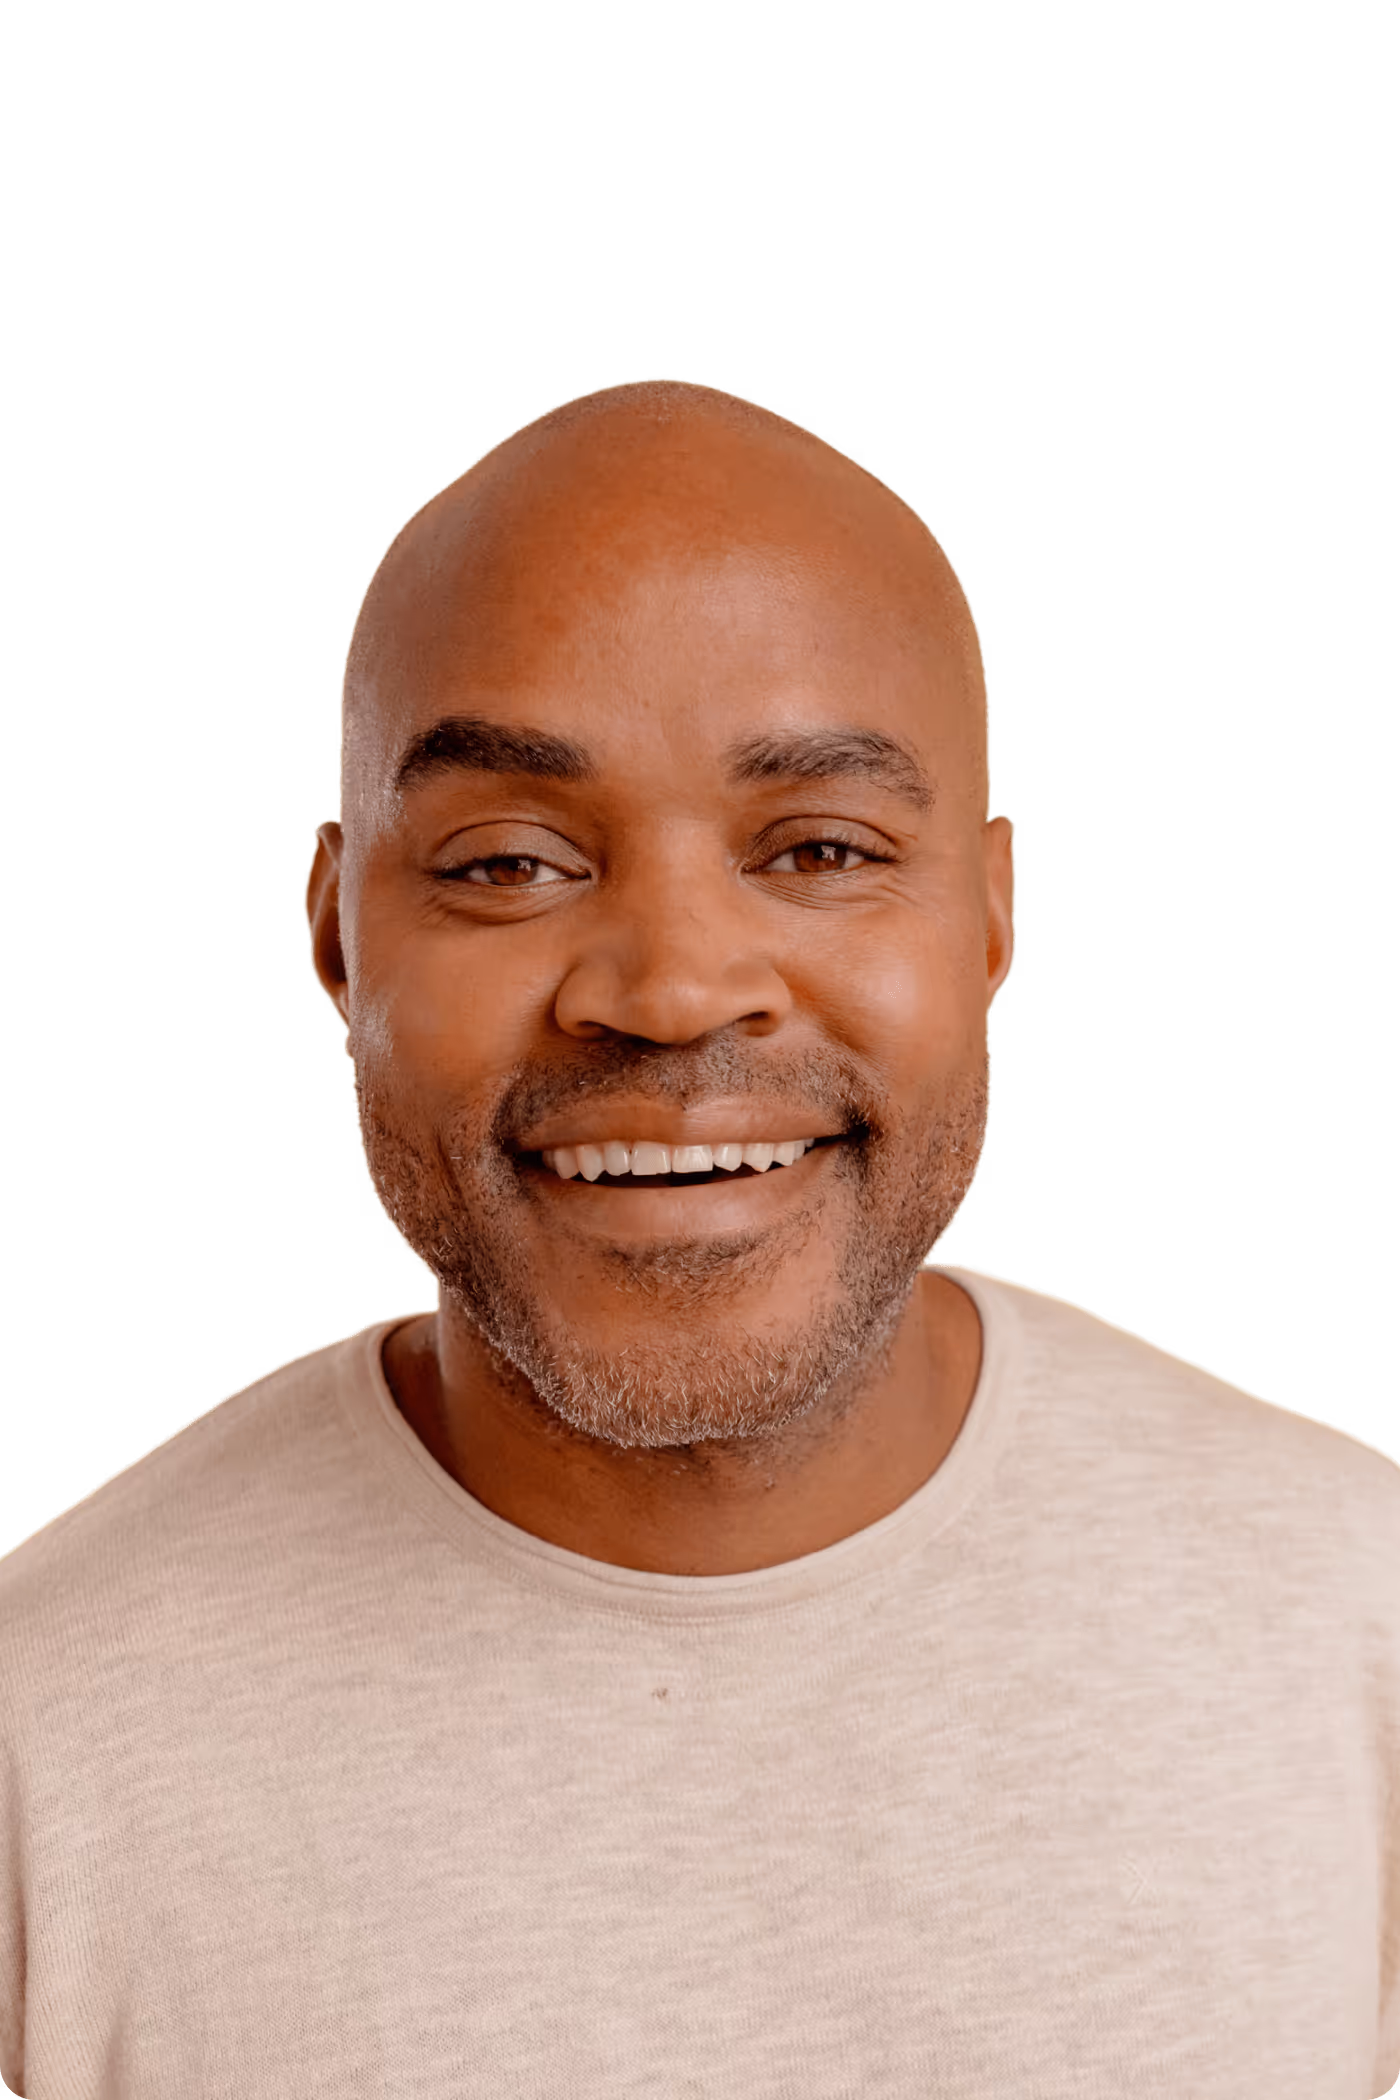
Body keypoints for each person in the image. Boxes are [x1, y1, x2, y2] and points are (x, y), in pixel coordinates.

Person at [0, 379, 1395, 2100]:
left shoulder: (1358, 1617)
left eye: (820, 848)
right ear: (340, 940)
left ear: (988, 922)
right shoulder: (41, 1734)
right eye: (507, 864)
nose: (670, 991)